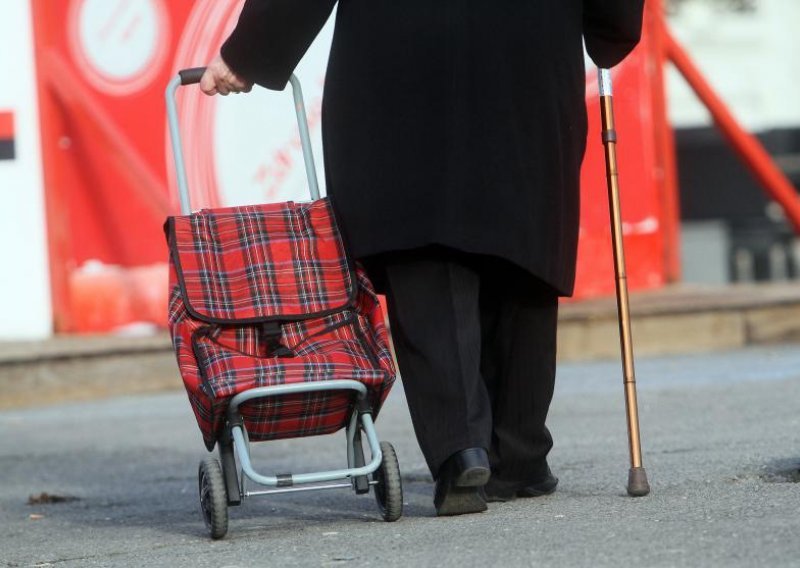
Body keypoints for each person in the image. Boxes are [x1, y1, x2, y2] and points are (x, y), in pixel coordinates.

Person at [200, 0, 644, 516]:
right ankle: (518, 454)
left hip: (401, 53)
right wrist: (610, 26)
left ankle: (462, 450)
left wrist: (252, 51)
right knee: (520, 236)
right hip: (529, 45)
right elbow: (613, 24)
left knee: (424, 244)